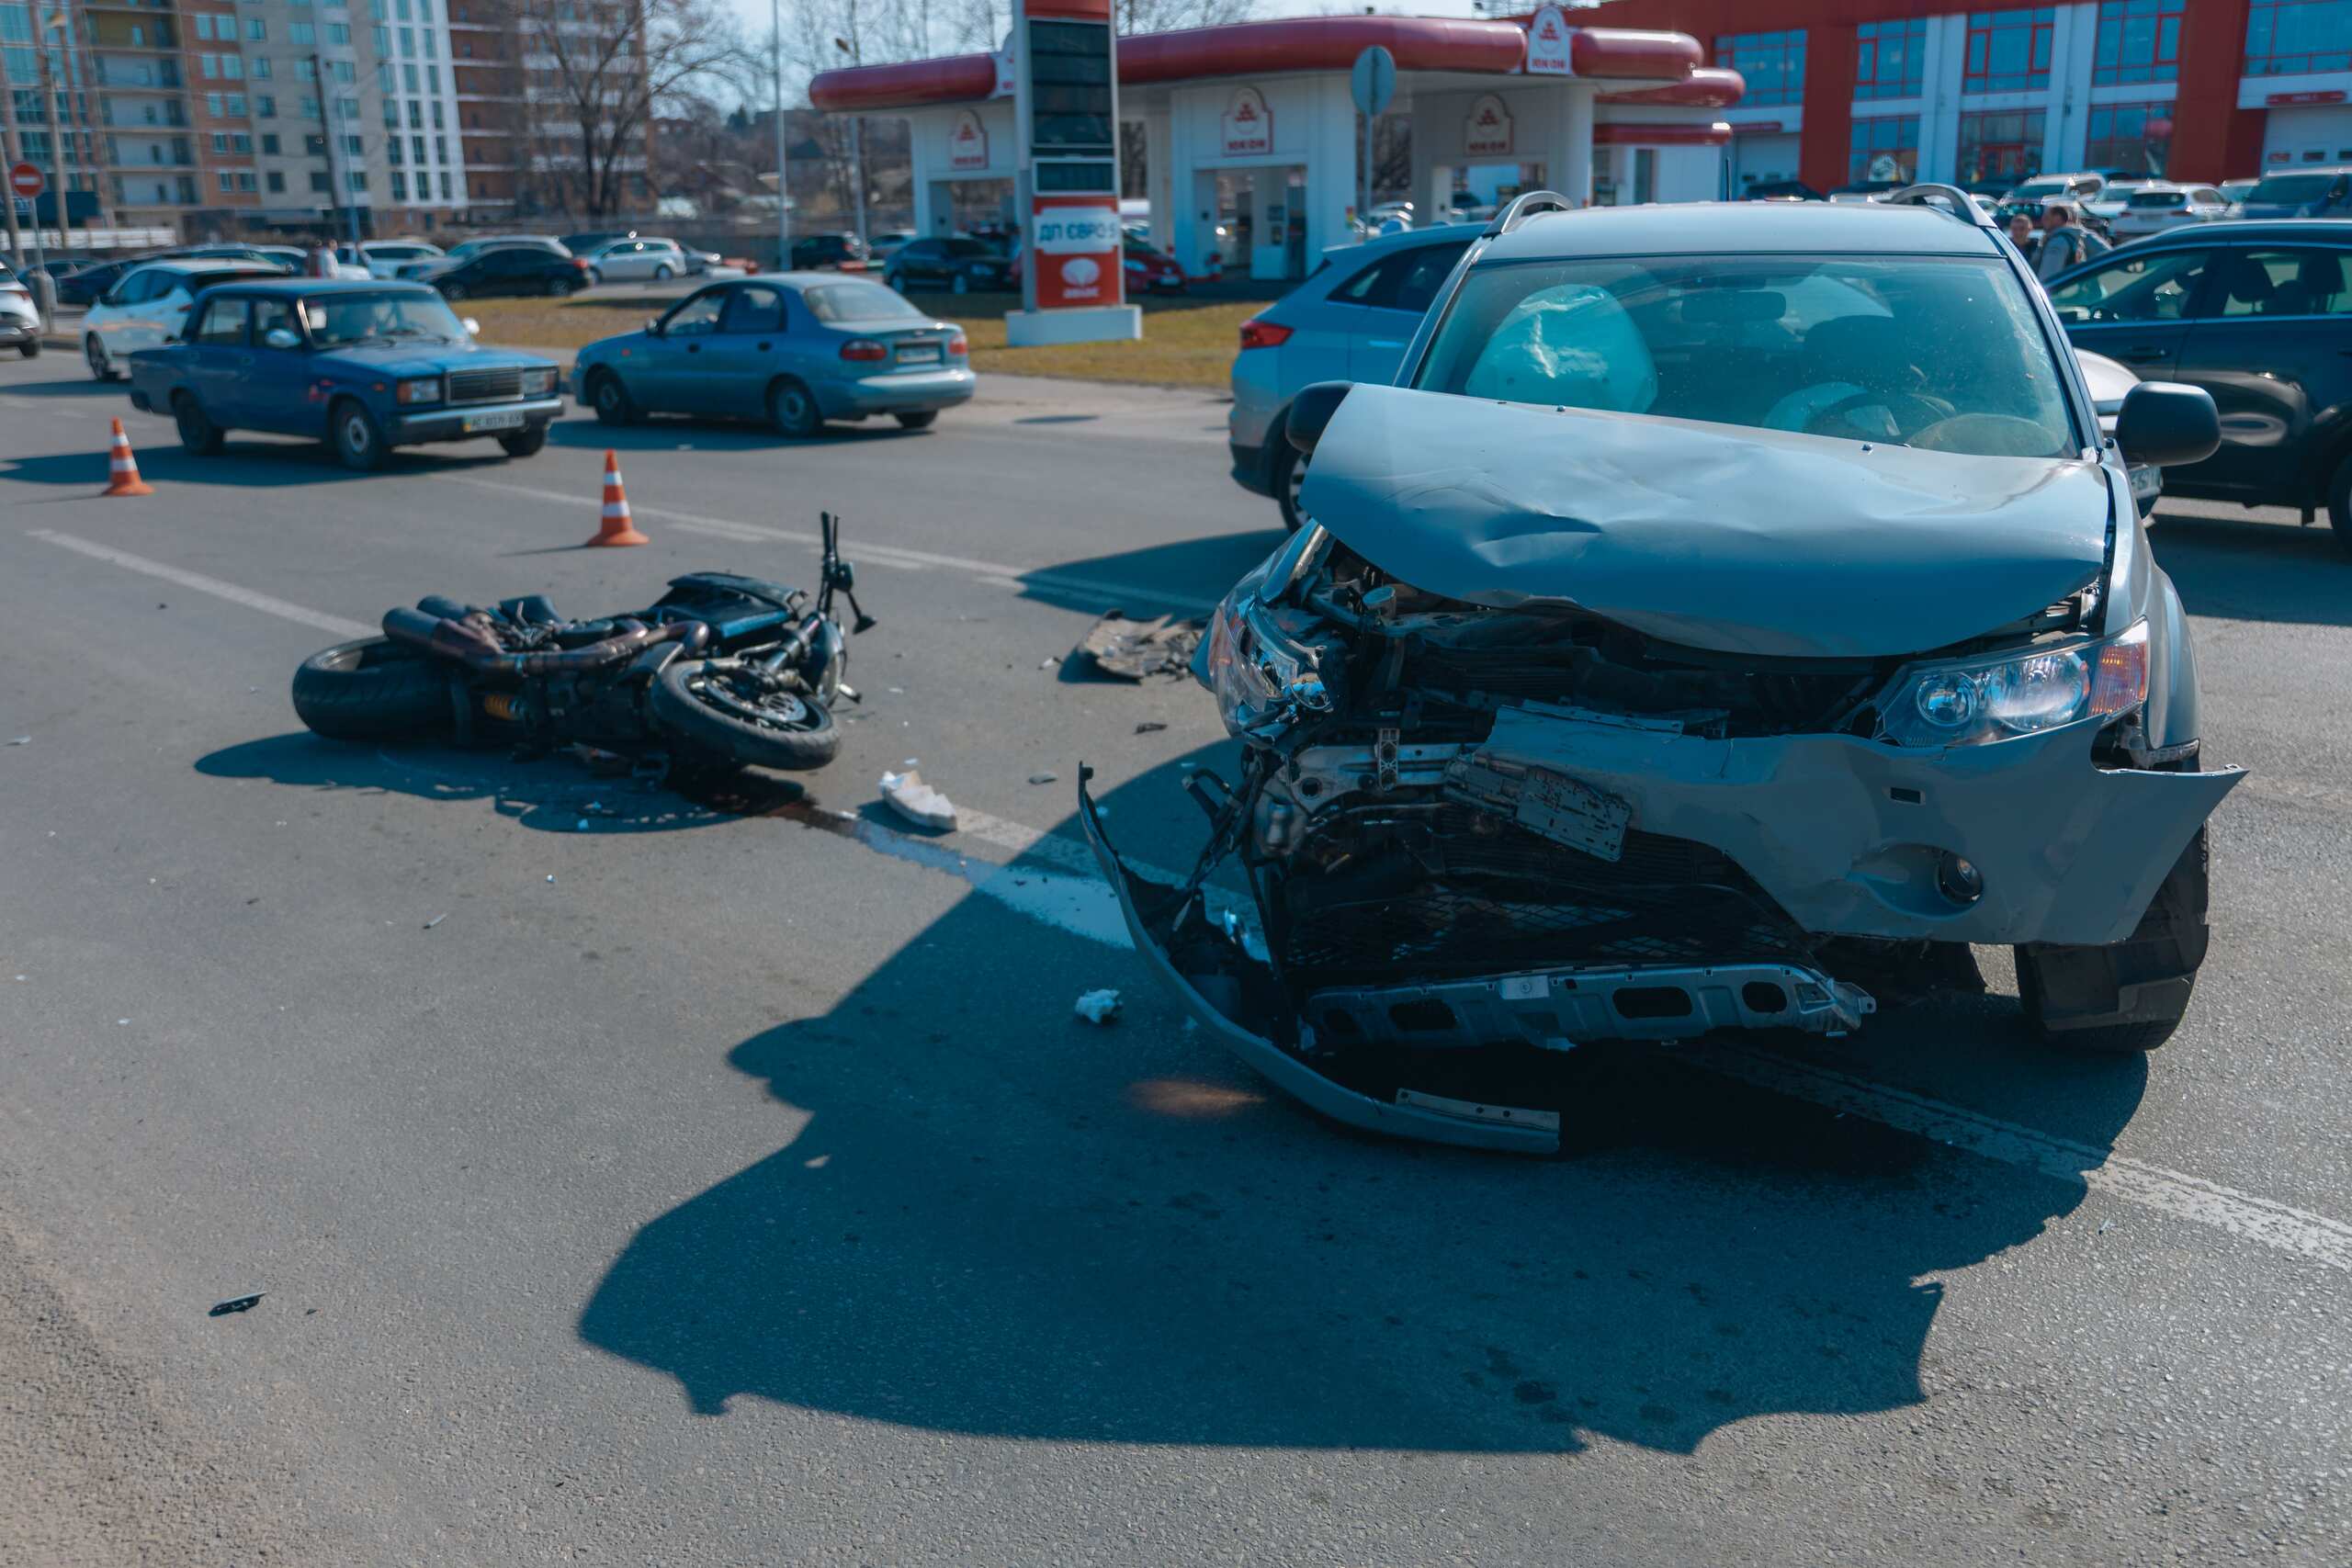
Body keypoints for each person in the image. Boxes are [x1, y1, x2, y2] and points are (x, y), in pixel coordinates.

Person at [2033, 200, 2106, 284]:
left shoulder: (2058, 242)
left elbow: (2048, 277)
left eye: (2046, 218)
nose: (2042, 221)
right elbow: (2107, 254)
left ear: (2058, 218)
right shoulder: (2079, 236)